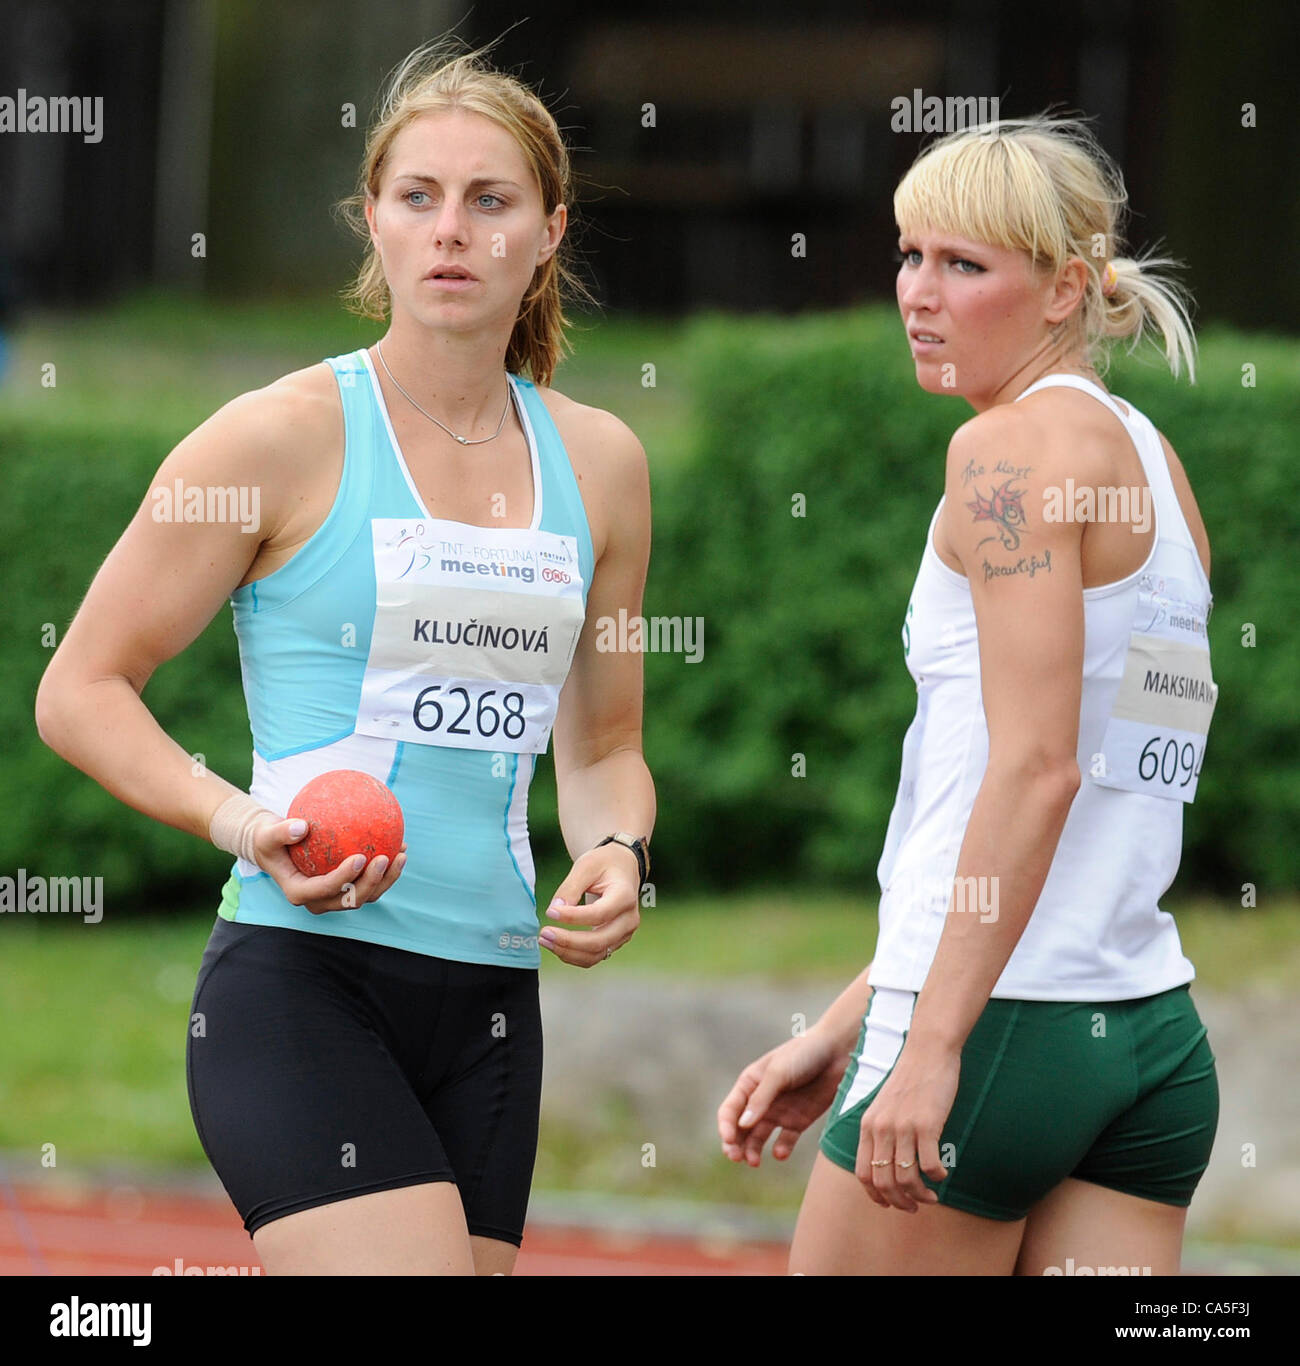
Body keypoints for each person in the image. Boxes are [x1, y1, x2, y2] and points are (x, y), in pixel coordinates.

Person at [35, 39, 654, 1276]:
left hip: (488, 1001)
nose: (451, 231)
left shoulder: (602, 464)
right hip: (299, 980)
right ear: (371, 220)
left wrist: (616, 849)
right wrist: (239, 820)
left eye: (491, 201)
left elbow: (603, 746)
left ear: (548, 231)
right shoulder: (275, 436)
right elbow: (79, 689)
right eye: (418, 197)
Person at [718, 115, 1218, 1276]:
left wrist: (928, 1041)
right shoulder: (1154, 462)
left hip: (1000, 1033)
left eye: (963, 265)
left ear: (1065, 291)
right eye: (908, 254)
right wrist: (856, 1020)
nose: (915, 293)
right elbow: (1132, 772)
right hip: (1146, 1041)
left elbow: (1039, 769)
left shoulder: (1002, 455)